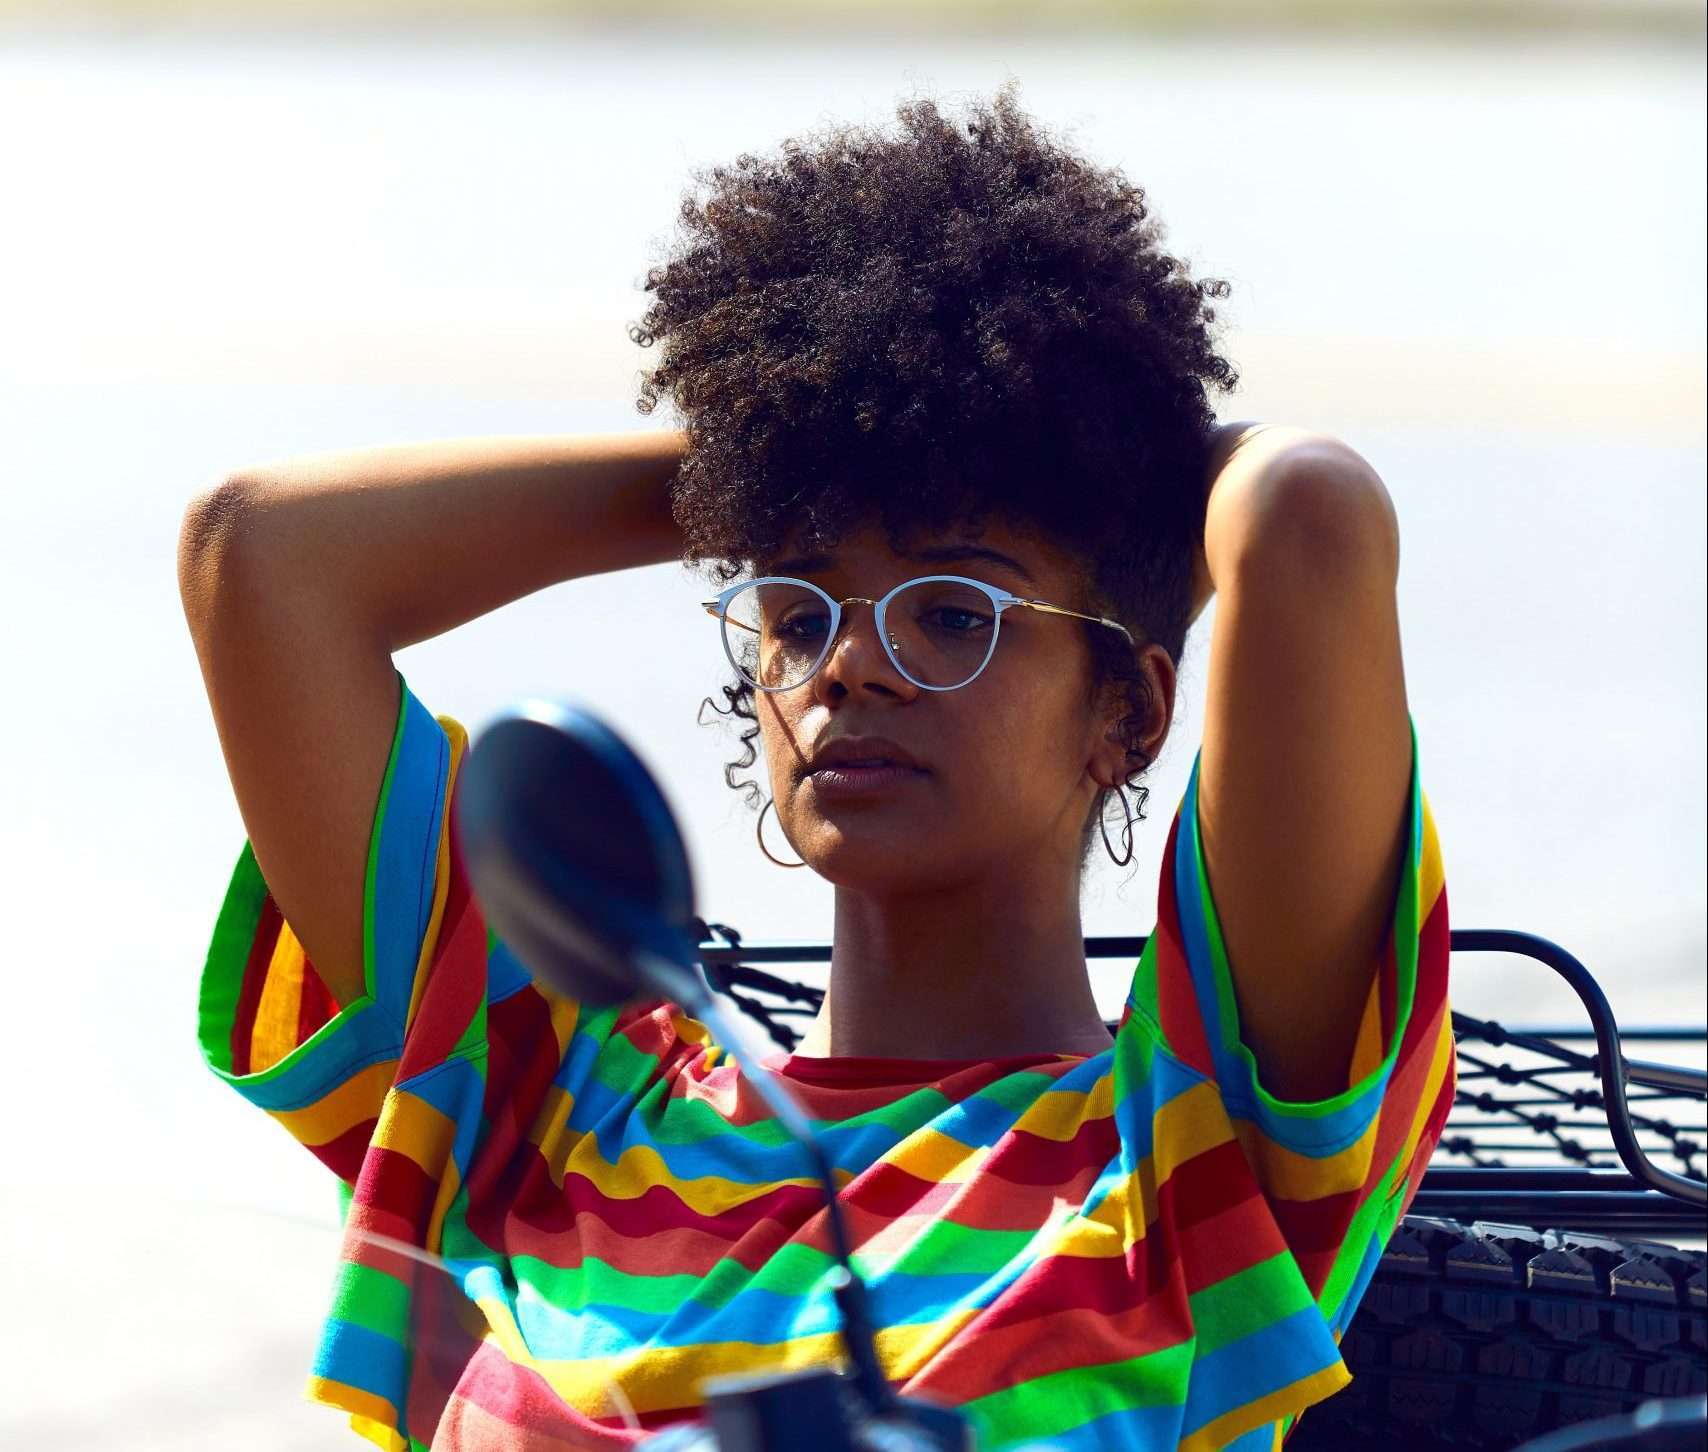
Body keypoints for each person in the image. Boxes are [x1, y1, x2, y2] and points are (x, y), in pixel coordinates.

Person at [178, 82, 1453, 1452]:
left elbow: (1307, 520)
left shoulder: (1187, 1156)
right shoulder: (558, 1098)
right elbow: (259, 557)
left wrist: (1099, 460)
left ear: (1129, 718)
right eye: (800, 614)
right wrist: (776, 455)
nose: (851, 663)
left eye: (955, 612)